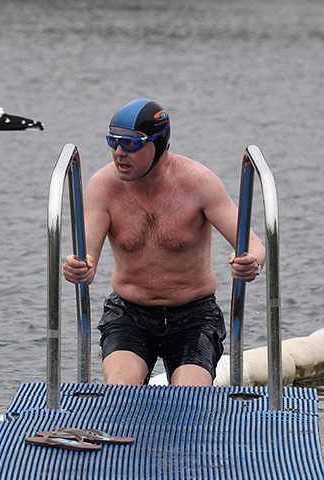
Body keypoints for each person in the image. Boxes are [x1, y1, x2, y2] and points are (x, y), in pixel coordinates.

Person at [63, 98, 265, 386]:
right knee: (122, 392)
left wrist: (251, 263)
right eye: (113, 141)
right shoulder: (103, 187)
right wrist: (77, 268)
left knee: (190, 397)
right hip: (129, 312)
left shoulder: (198, 183)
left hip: (194, 315)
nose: (118, 153)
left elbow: (255, 245)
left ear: (158, 144)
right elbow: (86, 260)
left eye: (130, 144)